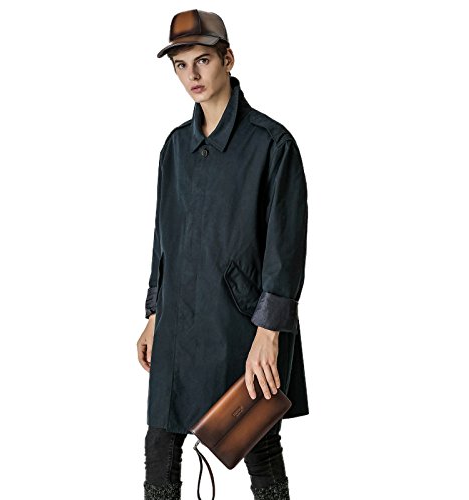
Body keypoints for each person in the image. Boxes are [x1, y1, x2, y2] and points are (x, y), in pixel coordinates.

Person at [136, 9, 309, 500]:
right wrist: (154, 313)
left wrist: (269, 332)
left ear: (228, 59)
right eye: (181, 65)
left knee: (258, 444)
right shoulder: (174, 148)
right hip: (177, 325)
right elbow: (163, 236)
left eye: (203, 60)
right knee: (160, 447)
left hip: (242, 325)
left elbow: (286, 246)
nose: (192, 75)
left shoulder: (272, 144)